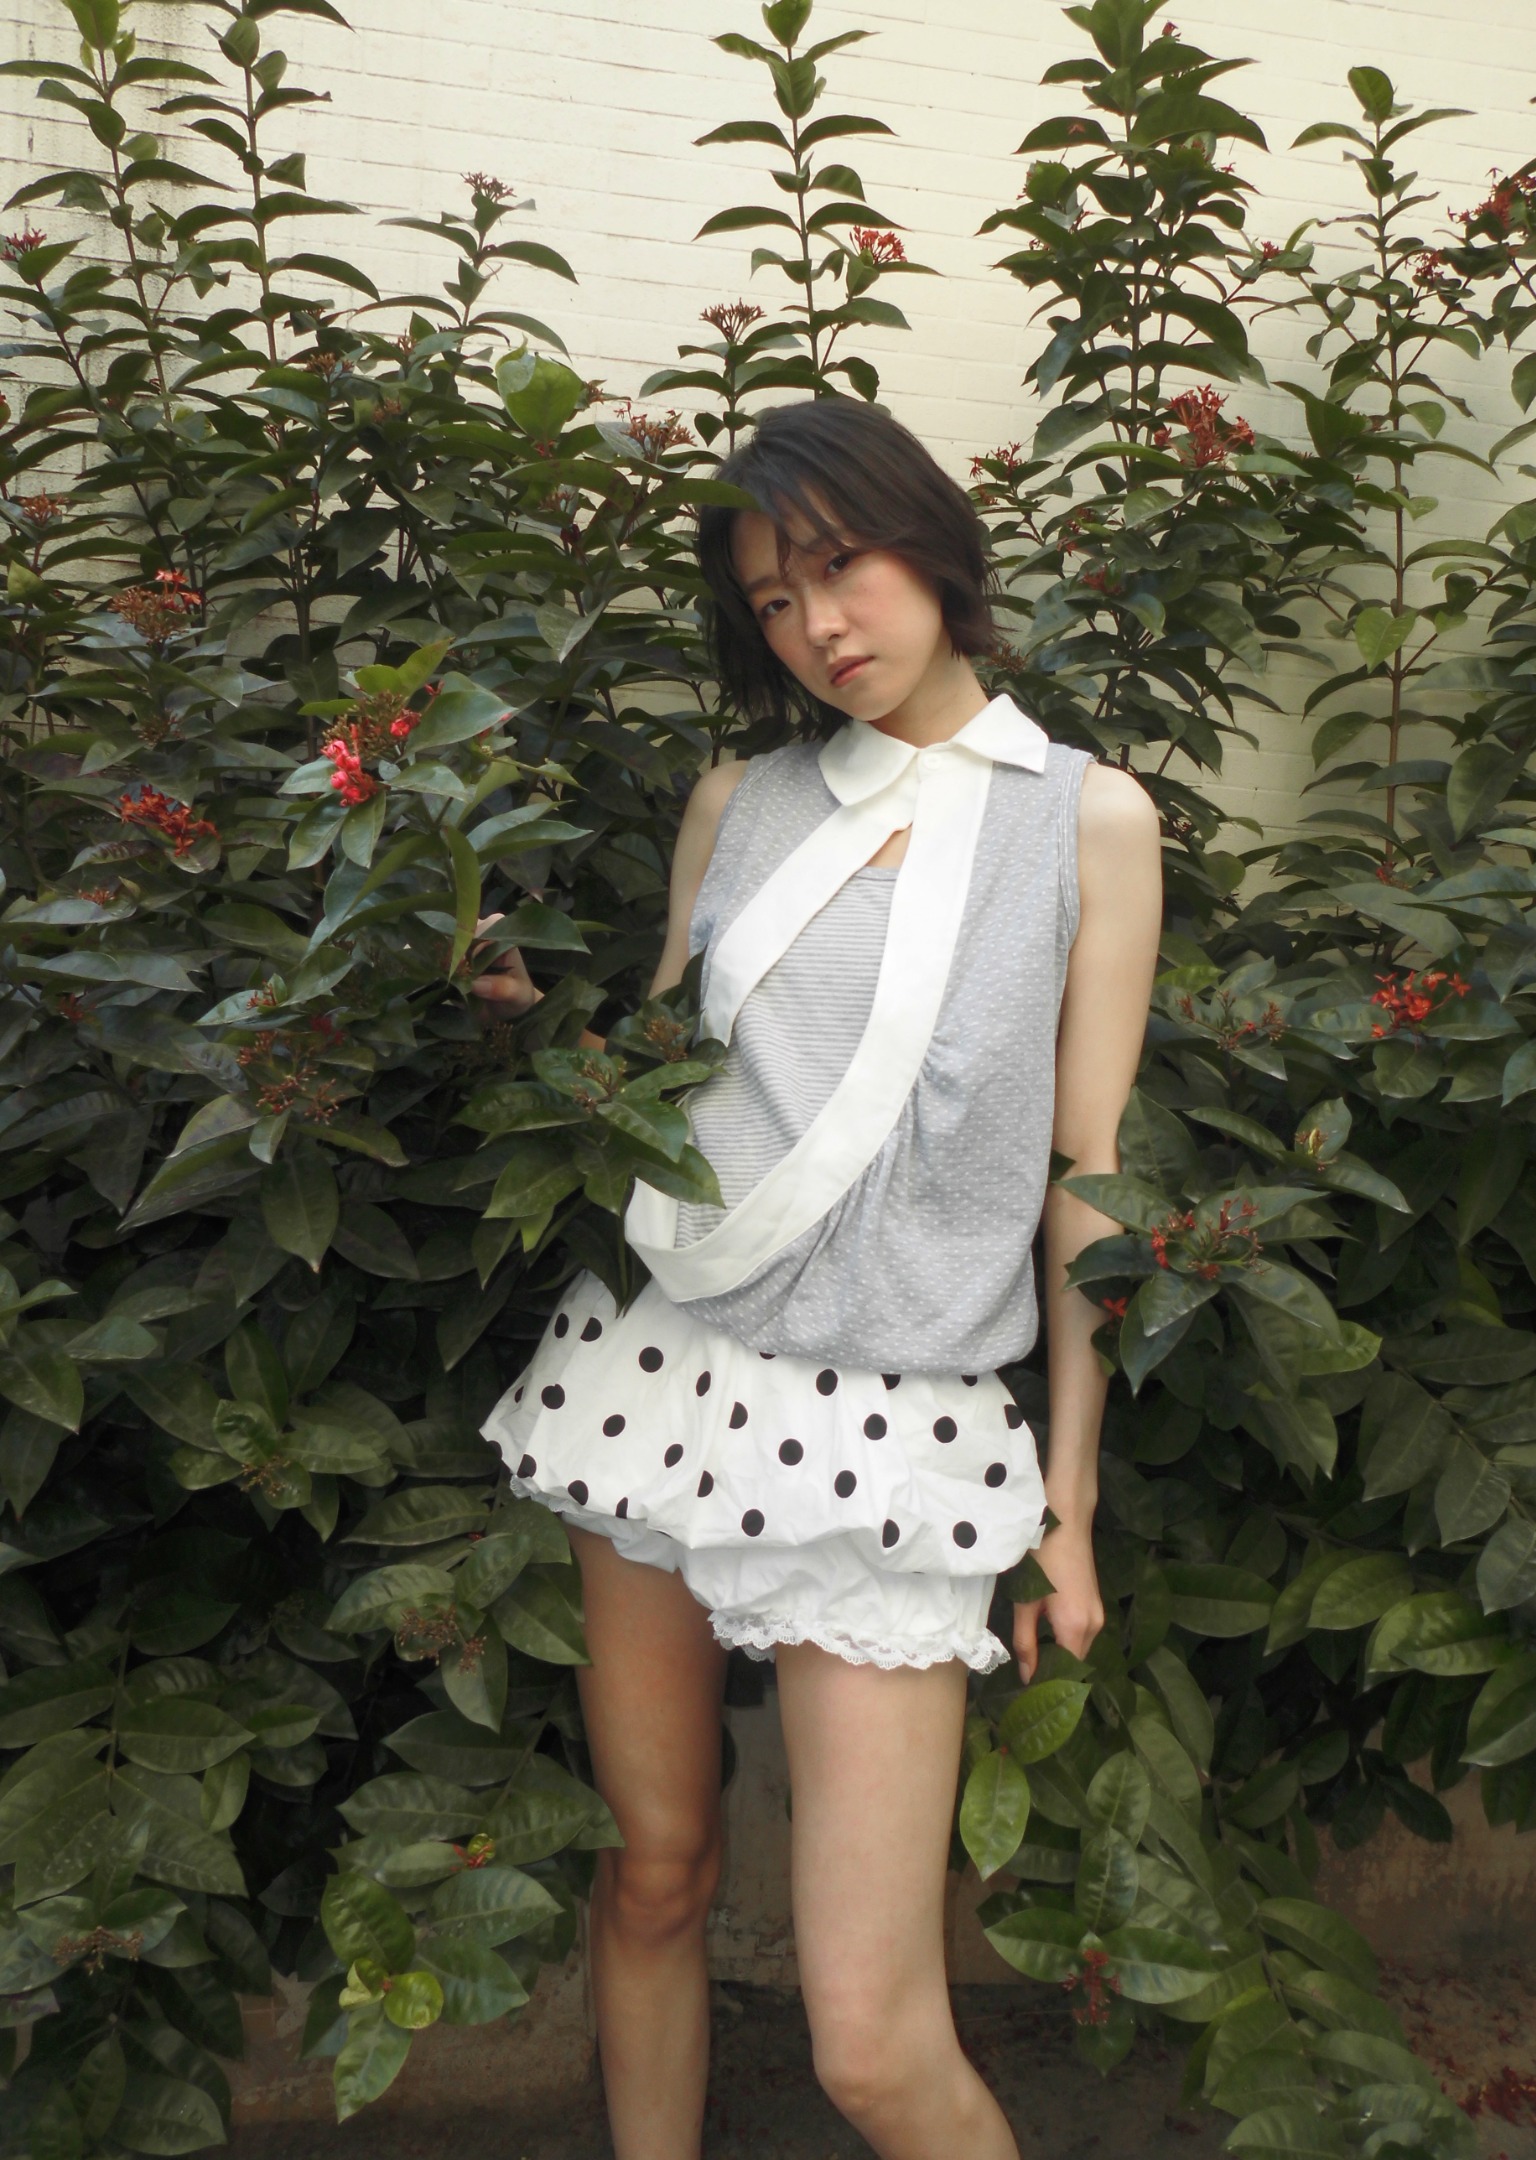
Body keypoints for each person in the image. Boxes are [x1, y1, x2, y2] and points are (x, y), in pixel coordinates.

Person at [473, 397, 1161, 2160]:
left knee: (871, 2045)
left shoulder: (1089, 823)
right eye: (773, 601)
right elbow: (667, 1088)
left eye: (839, 567)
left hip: (892, 1417)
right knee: (656, 1870)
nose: (818, 627)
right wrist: (538, 1037)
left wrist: (1068, 1501)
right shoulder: (741, 801)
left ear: (931, 543)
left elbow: (1088, 1179)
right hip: (660, 1371)